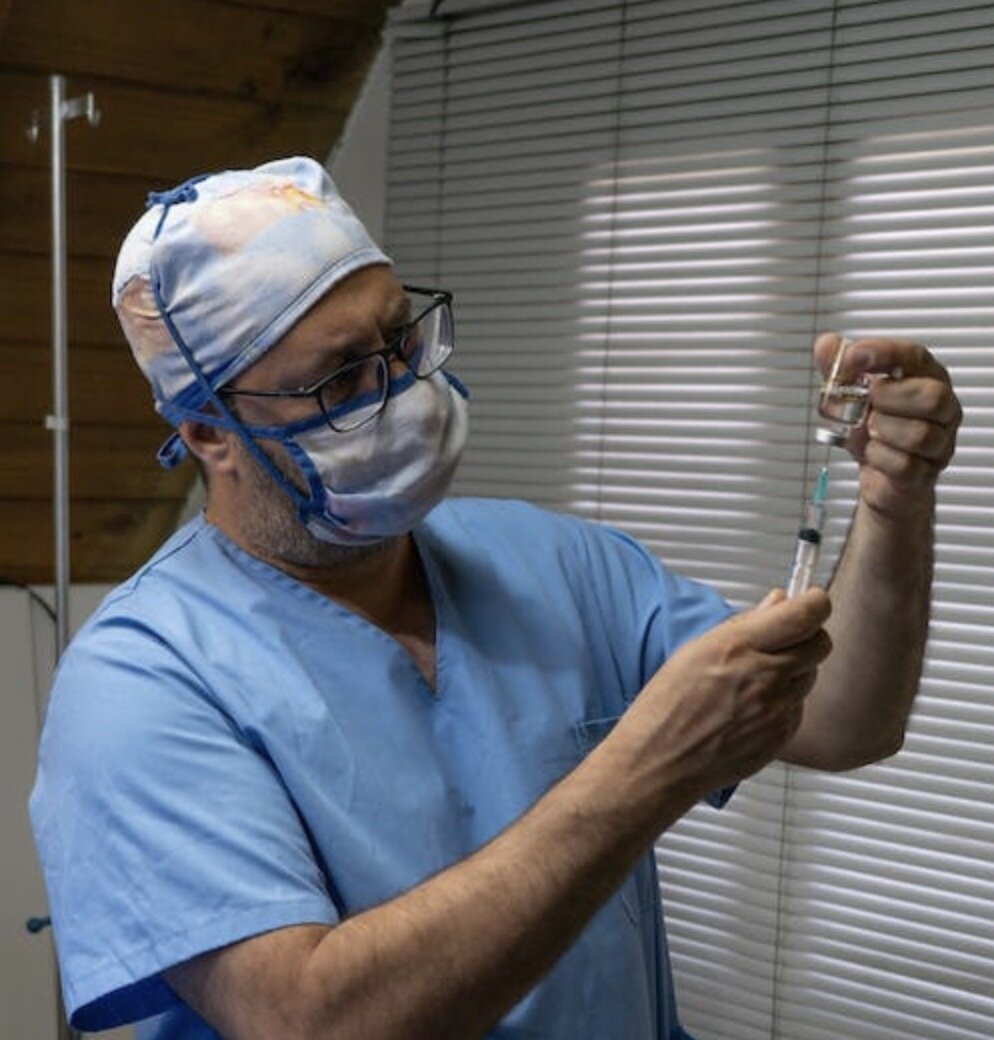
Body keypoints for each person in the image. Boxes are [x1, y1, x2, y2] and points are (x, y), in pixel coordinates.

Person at [29, 156, 960, 1040]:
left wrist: (894, 498)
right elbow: (307, 1020)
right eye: (342, 377)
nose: (405, 392)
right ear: (209, 433)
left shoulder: (554, 563)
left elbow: (844, 720)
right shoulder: (143, 683)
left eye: (402, 340)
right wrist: (650, 766)